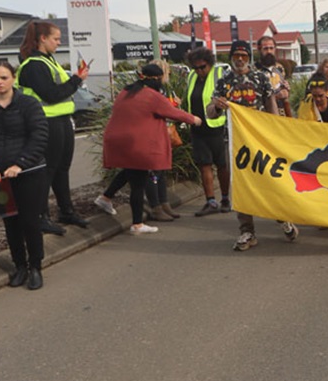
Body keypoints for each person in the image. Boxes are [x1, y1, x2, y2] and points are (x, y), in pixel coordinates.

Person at [206, 40, 297, 251]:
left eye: (244, 56)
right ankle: (247, 231)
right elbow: (210, 111)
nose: (240, 59)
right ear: (230, 57)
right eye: (236, 55)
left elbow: (271, 105)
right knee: (241, 186)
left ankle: (282, 217)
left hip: (261, 140)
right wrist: (216, 107)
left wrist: (277, 133)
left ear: (249, 57)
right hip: (236, 143)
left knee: (269, 181)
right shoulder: (224, 81)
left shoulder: (260, 78)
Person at [0, 62, 49, 290]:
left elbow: (39, 136)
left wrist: (20, 164)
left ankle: (35, 267)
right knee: (11, 223)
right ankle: (19, 266)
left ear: (13, 78)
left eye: (4, 77)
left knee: (30, 222)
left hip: (29, 173)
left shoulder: (29, 104)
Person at [102, 64, 201, 235]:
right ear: (156, 79)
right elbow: (173, 112)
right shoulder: (152, 96)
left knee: (130, 175)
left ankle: (105, 198)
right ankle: (137, 224)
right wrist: (194, 119)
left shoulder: (126, 92)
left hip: (118, 142)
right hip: (136, 145)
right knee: (138, 184)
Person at [15, 20, 89, 235]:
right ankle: (41, 217)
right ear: (42, 39)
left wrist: (75, 80)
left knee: (61, 168)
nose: (58, 43)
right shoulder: (34, 65)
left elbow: (59, 92)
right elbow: (51, 94)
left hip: (61, 120)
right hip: (45, 122)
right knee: (47, 171)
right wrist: (76, 80)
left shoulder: (49, 61)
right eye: (56, 39)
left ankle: (66, 211)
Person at [179, 48, 232, 217]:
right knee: (204, 164)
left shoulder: (220, 74)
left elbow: (228, 98)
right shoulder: (192, 76)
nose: (199, 71)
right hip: (198, 128)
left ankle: (225, 199)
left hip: (217, 127)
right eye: (195, 68)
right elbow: (189, 96)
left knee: (222, 165)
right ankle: (210, 201)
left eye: (202, 67)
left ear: (209, 63)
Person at [256, 36, 291, 117]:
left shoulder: (280, 68)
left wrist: (287, 90)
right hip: (263, 113)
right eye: (265, 49)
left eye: (271, 48)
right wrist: (275, 96)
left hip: (281, 112)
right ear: (259, 50)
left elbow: (281, 87)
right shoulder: (254, 70)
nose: (269, 51)